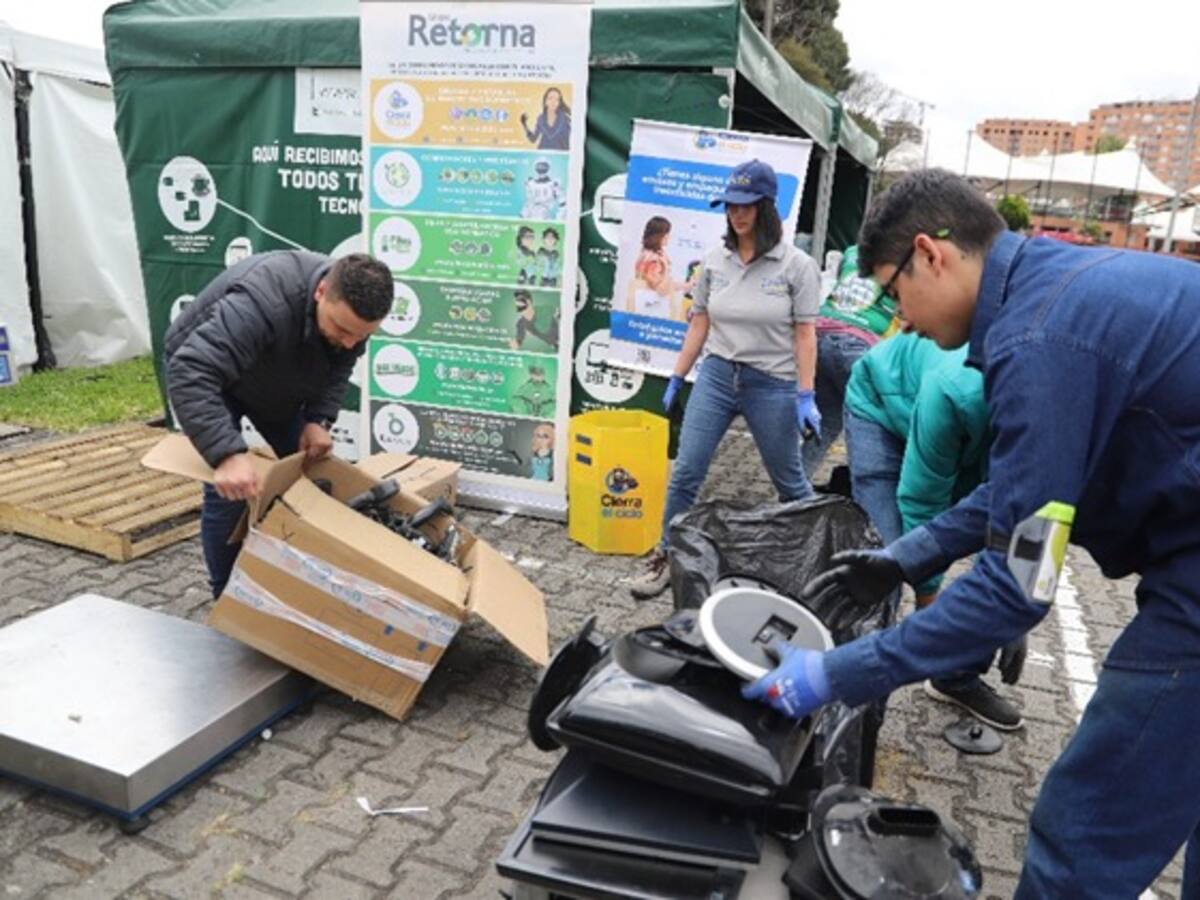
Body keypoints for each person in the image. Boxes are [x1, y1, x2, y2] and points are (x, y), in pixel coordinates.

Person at [742, 168, 1200, 898]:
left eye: (895, 293)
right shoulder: (1055, 289)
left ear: (931, 253)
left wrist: (835, 674)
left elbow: (1020, 583)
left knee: (1087, 826)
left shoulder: (1040, 337)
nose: (901, 322)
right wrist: (904, 558)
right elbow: (1021, 491)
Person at [628, 159, 821, 599]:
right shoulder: (715, 261)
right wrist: (678, 376)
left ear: (766, 206)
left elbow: (805, 333)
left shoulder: (796, 265)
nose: (737, 213)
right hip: (717, 376)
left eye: (747, 205)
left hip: (771, 381)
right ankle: (666, 557)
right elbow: (700, 321)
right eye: (731, 204)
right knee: (686, 473)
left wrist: (805, 394)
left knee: (789, 482)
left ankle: (820, 565)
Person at [164, 251, 392, 598]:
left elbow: (339, 365)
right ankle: (227, 598)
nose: (351, 343)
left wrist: (318, 419)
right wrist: (226, 454)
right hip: (209, 375)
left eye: (361, 337)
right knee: (231, 492)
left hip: (273, 375)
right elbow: (191, 371)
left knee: (310, 474)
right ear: (321, 292)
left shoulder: (352, 320)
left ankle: (301, 575)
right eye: (343, 330)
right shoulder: (261, 301)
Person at [843, 331, 1023, 730]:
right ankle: (856, 706)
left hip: (963, 430)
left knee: (1000, 576)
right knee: (886, 564)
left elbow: (1017, 511)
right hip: (883, 406)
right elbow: (923, 503)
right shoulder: (957, 389)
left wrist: (1018, 599)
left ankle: (952, 678)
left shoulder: (1057, 416)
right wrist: (932, 621)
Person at [801, 245, 900, 477]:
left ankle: (792, 492)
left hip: (820, 335)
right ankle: (867, 499)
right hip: (858, 343)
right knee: (871, 428)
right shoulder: (905, 256)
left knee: (825, 423)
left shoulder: (854, 251)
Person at [519, 87, 571, 151]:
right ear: (545, 101)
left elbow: (568, 141)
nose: (553, 101)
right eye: (550, 98)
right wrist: (524, 125)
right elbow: (533, 139)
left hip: (559, 156)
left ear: (559, 103)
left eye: (557, 99)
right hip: (543, 154)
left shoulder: (565, 119)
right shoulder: (540, 118)